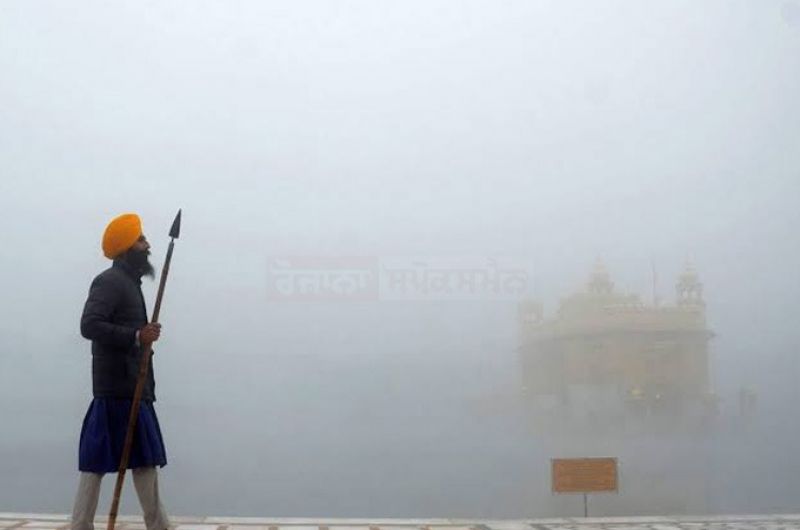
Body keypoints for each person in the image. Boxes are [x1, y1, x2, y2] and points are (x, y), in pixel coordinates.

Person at [71, 213, 170, 530]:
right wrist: (136, 336)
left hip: (133, 385)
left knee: (144, 458)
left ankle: (158, 524)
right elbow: (90, 325)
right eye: (141, 239)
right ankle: (81, 524)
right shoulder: (110, 282)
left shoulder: (128, 284)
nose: (148, 244)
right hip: (116, 388)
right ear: (129, 247)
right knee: (96, 460)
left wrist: (142, 336)